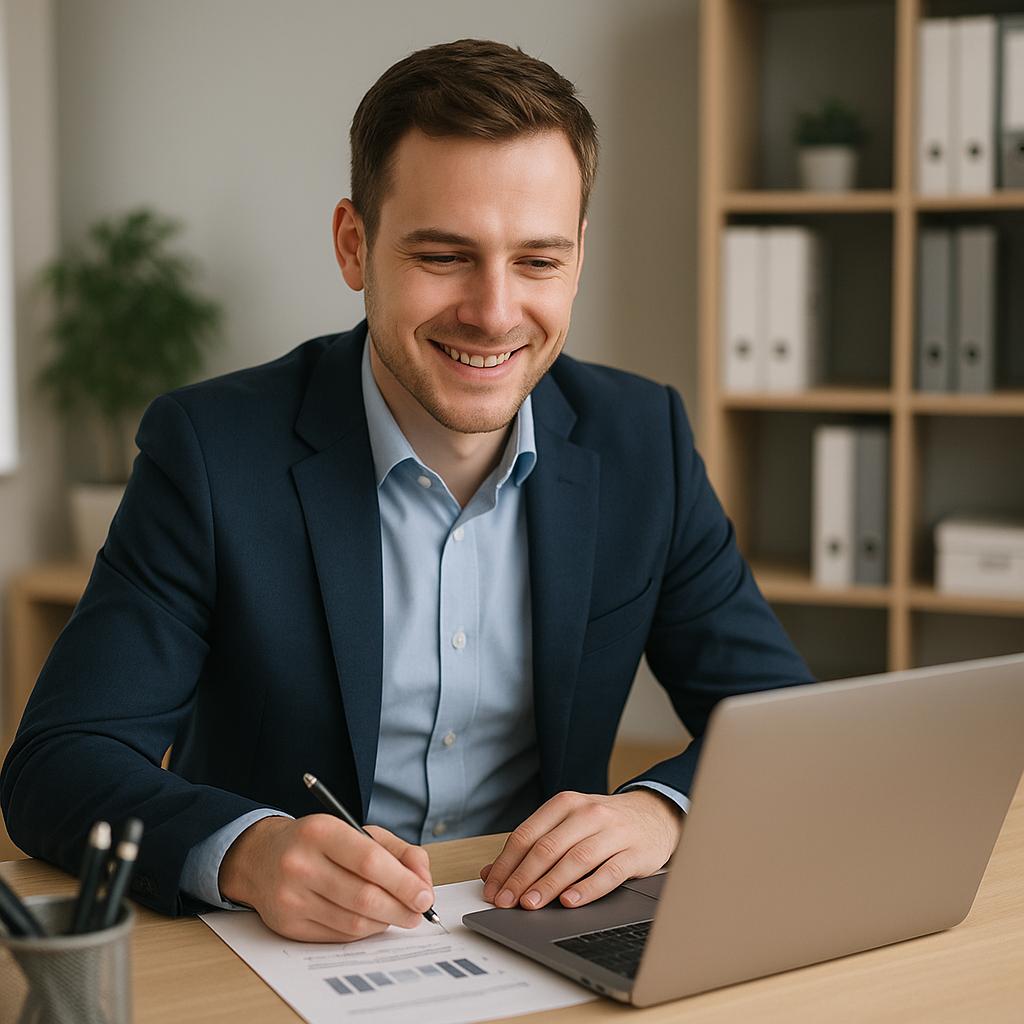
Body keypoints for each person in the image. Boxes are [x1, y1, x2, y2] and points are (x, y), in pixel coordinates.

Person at [1, 39, 811, 943]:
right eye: (444, 255)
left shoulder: (642, 440)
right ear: (355, 246)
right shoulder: (212, 452)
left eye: (538, 261)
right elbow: (57, 765)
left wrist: (662, 811)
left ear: (579, 255)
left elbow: (784, 720)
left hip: (540, 944)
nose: (495, 311)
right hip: (283, 956)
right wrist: (249, 852)